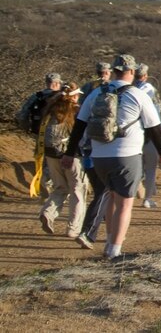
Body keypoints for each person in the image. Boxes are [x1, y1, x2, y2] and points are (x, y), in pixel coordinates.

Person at [63, 54, 161, 260]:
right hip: (127, 155)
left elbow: (79, 126)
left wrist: (69, 153)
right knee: (125, 204)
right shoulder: (138, 94)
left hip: (99, 156)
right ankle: (114, 250)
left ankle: (110, 241)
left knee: (111, 196)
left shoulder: (95, 94)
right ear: (131, 72)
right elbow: (155, 128)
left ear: (113, 70)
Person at [38, 82, 88, 239]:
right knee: (78, 191)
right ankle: (73, 228)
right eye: (77, 94)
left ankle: (48, 212)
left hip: (51, 155)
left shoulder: (50, 111)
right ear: (73, 97)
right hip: (71, 156)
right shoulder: (76, 111)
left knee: (60, 188)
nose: (79, 97)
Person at [17, 72, 63, 198]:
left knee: (41, 159)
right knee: (57, 161)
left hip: (39, 133)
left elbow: (22, 115)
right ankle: (52, 184)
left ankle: (42, 180)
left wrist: (27, 128)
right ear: (57, 83)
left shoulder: (36, 96)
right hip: (59, 135)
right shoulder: (62, 97)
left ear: (46, 83)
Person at [134, 63, 161, 208]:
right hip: (150, 133)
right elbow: (157, 114)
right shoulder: (150, 90)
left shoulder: (127, 89)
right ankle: (148, 198)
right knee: (151, 168)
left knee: (136, 167)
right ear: (145, 75)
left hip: (133, 134)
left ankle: (135, 193)